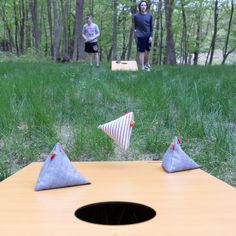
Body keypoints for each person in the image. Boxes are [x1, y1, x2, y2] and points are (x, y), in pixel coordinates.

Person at [133, 1, 153, 71]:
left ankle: (147, 64)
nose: (143, 7)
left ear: (146, 7)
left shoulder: (150, 16)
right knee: (141, 51)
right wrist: (135, 30)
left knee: (148, 51)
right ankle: (142, 66)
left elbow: (151, 26)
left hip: (148, 36)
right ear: (140, 6)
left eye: (144, 5)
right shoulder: (136, 16)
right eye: (142, 5)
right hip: (141, 36)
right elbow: (135, 25)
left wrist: (151, 36)